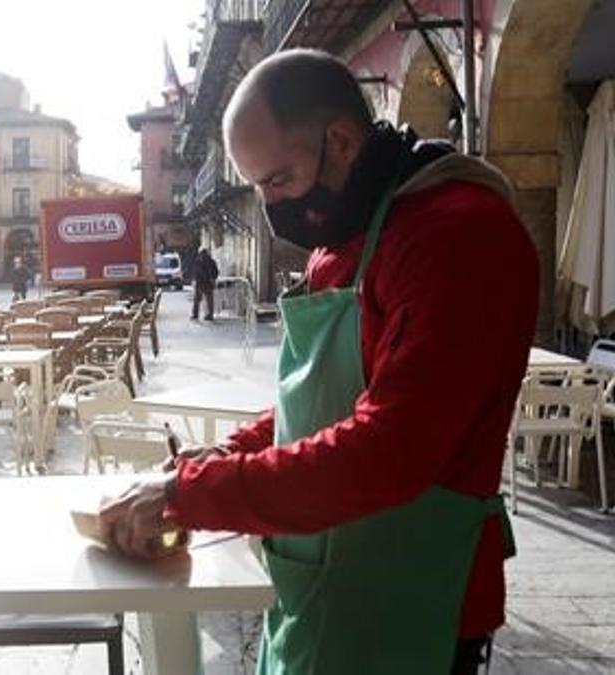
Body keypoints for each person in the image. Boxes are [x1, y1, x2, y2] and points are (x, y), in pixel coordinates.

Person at [97, 49, 538, 674]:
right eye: (259, 188)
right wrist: (232, 452)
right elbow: (321, 402)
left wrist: (186, 492)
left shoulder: (459, 235)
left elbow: (391, 450)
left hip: (414, 609)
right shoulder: (342, 242)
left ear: (341, 140)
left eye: (278, 180)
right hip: (316, 588)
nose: (274, 209)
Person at [191, 248, 218, 320]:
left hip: (200, 283)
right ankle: (210, 315)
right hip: (208, 283)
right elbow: (216, 272)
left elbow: (196, 272)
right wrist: (213, 279)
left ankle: (195, 314)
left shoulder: (198, 261)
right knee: (209, 300)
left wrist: (196, 279)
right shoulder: (212, 261)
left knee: (197, 299)